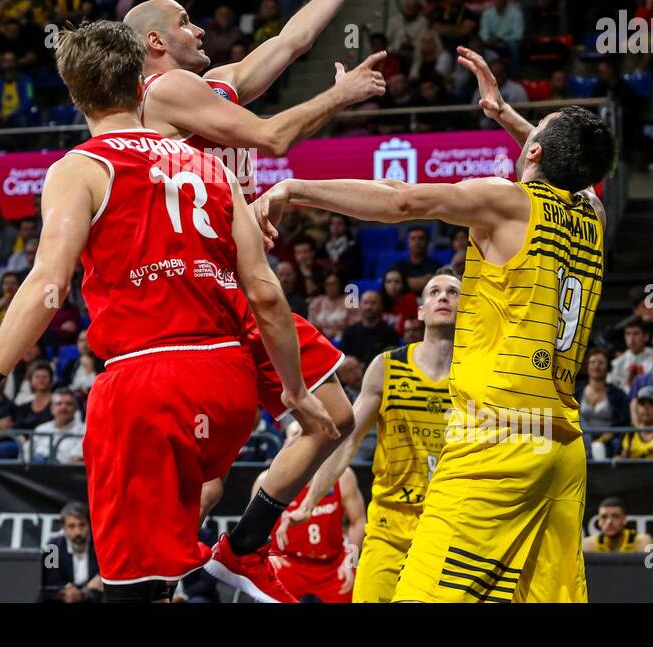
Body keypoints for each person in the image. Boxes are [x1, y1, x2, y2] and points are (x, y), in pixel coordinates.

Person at [0, 21, 336, 603]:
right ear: (141, 81)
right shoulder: (213, 167)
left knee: (132, 590)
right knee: (171, 557)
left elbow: (48, 285)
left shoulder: (80, 167)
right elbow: (266, 293)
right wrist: (293, 391)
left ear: (75, 94)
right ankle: (231, 556)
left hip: (148, 384)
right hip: (229, 386)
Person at [253, 46, 616, 602]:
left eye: (531, 134)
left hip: (495, 441)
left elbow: (400, 201)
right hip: (560, 448)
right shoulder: (593, 215)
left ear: (534, 152)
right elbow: (572, 169)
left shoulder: (508, 201)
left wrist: (296, 188)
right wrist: (504, 115)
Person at [129, 0, 384, 595]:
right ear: (156, 41)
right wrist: (340, 93)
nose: (200, 30)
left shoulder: (212, 87)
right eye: (186, 22)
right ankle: (164, 568)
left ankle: (240, 547)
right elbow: (271, 139)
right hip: (202, 300)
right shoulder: (165, 90)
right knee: (214, 457)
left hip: (236, 289)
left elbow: (291, 41)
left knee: (333, 419)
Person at [291, 270, 459, 602]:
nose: (443, 297)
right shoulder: (387, 367)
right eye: (435, 291)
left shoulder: (477, 378)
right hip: (390, 525)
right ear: (421, 310)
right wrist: (311, 499)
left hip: (450, 527)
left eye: (453, 293)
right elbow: (346, 440)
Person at [262, 420, 366, 603]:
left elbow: (358, 521)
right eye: (294, 436)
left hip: (332, 564)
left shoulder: (343, 476)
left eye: (306, 435)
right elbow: (255, 525)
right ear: (286, 443)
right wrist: (266, 554)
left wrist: (351, 562)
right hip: (290, 562)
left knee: (354, 590)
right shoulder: (267, 479)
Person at [38, 502, 103, 603]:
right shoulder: (51, 547)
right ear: (63, 528)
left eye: (82, 525)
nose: (78, 532)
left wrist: (83, 594)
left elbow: (100, 584)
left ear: (90, 525)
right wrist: (67, 590)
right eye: (71, 526)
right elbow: (49, 585)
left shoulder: (100, 546)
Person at [28, 387, 85, 465]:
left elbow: (75, 460)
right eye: (59, 404)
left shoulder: (84, 431)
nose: (63, 407)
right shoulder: (41, 429)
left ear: (75, 408)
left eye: (68, 404)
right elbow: (25, 455)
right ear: (52, 409)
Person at [616, 386, 653, 458]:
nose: (646, 408)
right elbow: (616, 460)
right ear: (637, 408)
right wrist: (624, 457)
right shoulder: (629, 432)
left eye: (651, 404)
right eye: (642, 404)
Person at [582, 498, 653, 553]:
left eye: (615, 516)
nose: (609, 522)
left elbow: (652, 570)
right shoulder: (588, 545)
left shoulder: (642, 541)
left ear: (624, 520)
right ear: (599, 521)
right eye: (604, 517)